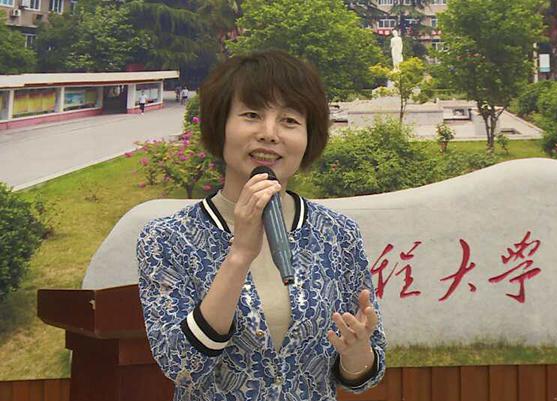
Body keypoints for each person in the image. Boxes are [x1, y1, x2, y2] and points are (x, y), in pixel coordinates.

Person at [137, 50, 386, 401]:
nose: (269, 134)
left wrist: (356, 352)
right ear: (220, 125)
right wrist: (239, 255)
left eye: (289, 120)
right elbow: (181, 367)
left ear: (308, 137)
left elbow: (362, 376)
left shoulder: (338, 233)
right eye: (252, 115)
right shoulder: (167, 238)